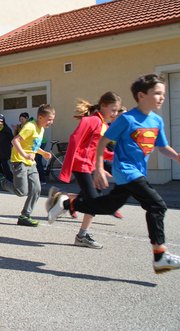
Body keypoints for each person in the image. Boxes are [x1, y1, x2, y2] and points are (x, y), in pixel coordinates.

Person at [48, 74, 180, 274]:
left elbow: (162, 146)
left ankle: (65, 203)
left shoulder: (156, 120)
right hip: (126, 171)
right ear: (141, 96)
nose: (162, 98)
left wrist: (177, 157)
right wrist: (98, 168)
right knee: (157, 204)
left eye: (163, 94)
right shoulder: (126, 119)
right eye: (157, 93)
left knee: (107, 206)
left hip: (138, 172)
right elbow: (103, 142)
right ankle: (160, 256)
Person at [55, 92, 122, 249]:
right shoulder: (92, 120)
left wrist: (117, 157)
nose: (115, 114)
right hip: (81, 165)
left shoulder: (103, 124)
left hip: (89, 165)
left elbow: (99, 149)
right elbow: (74, 139)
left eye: (117, 110)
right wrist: (67, 168)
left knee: (93, 200)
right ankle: (65, 205)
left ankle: (80, 231)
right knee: (94, 201)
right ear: (103, 106)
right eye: (113, 109)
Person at [0, 104, 55, 227]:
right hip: (19, 161)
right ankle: (1, 181)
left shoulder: (41, 129)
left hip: (31, 163)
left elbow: (32, 146)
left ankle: (25, 216)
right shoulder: (30, 127)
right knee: (21, 192)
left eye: (52, 120)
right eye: (49, 119)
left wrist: (43, 152)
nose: (51, 122)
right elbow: (15, 141)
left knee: (36, 189)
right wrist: (24, 155)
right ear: (40, 117)